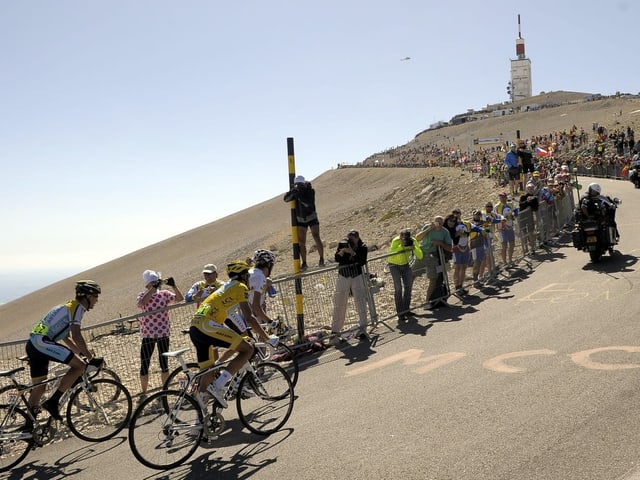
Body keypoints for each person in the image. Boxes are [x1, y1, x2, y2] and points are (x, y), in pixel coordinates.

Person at [189, 260, 277, 409]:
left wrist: (242, 335)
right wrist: (267, 338)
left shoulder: (225, 287)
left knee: (208, 372)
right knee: (248, 349)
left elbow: (228, 317)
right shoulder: (240, 287)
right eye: (247, 276)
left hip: (196, 327)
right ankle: (218, 385)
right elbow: (249, 317)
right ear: (242, 276)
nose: (249, 279)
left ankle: (201, 419)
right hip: (207, 325)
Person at [25, 280, 102, 420]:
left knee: (39, 388)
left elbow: (66, 337)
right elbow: (77, 336)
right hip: (43, 343)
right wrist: (90, 358)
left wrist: (80, 352)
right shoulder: (77, 308)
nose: (97, 300)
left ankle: (28, 427)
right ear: (88, 296)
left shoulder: (66, 307)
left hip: (33, 344)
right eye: (96, 296)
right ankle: (53, 402)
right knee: (80, 366)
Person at [136, 270, 184, 398]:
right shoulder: (142, 295)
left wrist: (174, 286)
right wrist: (153, 289)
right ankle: (144, 392)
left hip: (163, 333)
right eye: (152, 283)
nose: (156, 285)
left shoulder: (164, 294)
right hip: (148, 335)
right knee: (144, 363)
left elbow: (179, 299)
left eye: (156, 282)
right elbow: (142, 303)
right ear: (147, 284)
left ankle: (165, 389)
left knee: (164, 363)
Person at [330, 230, 369, 342]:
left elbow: (362, 261)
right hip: (344, 276)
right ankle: (335, 331)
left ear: (357, 238)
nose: (350, 241)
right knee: (339, 303)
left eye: (352, 239)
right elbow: (337, 259)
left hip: (357, 276)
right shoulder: (343, 244)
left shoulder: (363, 247)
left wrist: (352, 252)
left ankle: (362, 329)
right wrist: (342, 252)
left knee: (360, 302)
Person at [283, 175, 325, 269]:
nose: (299, 186)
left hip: (311, 216)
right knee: (301, 242)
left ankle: (321, 258)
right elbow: (286, 199)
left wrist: (298, 195)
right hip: (301, 219)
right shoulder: (296, 192)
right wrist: (292, 191)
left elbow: (308, 204)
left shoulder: (310, 190)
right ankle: (304, 263)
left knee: (316, 236)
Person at [415, 216, 452, 309]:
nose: (437, 223)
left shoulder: (445, 232)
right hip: (421, 254)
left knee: (433, 278)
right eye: (436, 221)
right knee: (411, 275)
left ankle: (427, 301)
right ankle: (407, 308)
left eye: (440, 222)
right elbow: (417, 238)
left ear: (443, 223)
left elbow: (449, 247)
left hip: (433, 256)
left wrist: (440, 243)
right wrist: (428, 229)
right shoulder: (427, 227)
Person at [388, 229, 423, 321]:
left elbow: (420, 255)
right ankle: (400, 313)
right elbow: (392, 253)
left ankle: (406, 310)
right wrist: (401, 246)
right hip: (394, 265)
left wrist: (414, 248)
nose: (404, 240)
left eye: (406, 238)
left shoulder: (413, 241)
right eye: (402, 237)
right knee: (398, 288)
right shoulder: (396, 241)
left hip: (405, 265)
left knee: (408, 287)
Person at [495, 192, 518, 266]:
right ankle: (505, 262)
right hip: (502, 228)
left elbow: (516, 209)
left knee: (512, 243)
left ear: (506, 197)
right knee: (504, 245)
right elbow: (496, 216)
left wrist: (515, 215)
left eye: (503, 197)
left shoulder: (510, 204)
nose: (502, 198)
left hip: (510, 226)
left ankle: (510, 260)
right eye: (501, 197)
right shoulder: (497, 206)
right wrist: (503, 225)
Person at [519, 183, 539, 254]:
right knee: (524, 232)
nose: (530, 190)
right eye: (529, 188)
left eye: (532, 188)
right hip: (522, 217)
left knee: (531, 232)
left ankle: (532, 248)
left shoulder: (535, 198)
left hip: (530, 217)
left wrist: (531, 203)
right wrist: (527, 201)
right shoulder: (523, 197)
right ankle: (525, 248)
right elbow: (521, 205)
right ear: (527, 189)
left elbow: (536, 208)